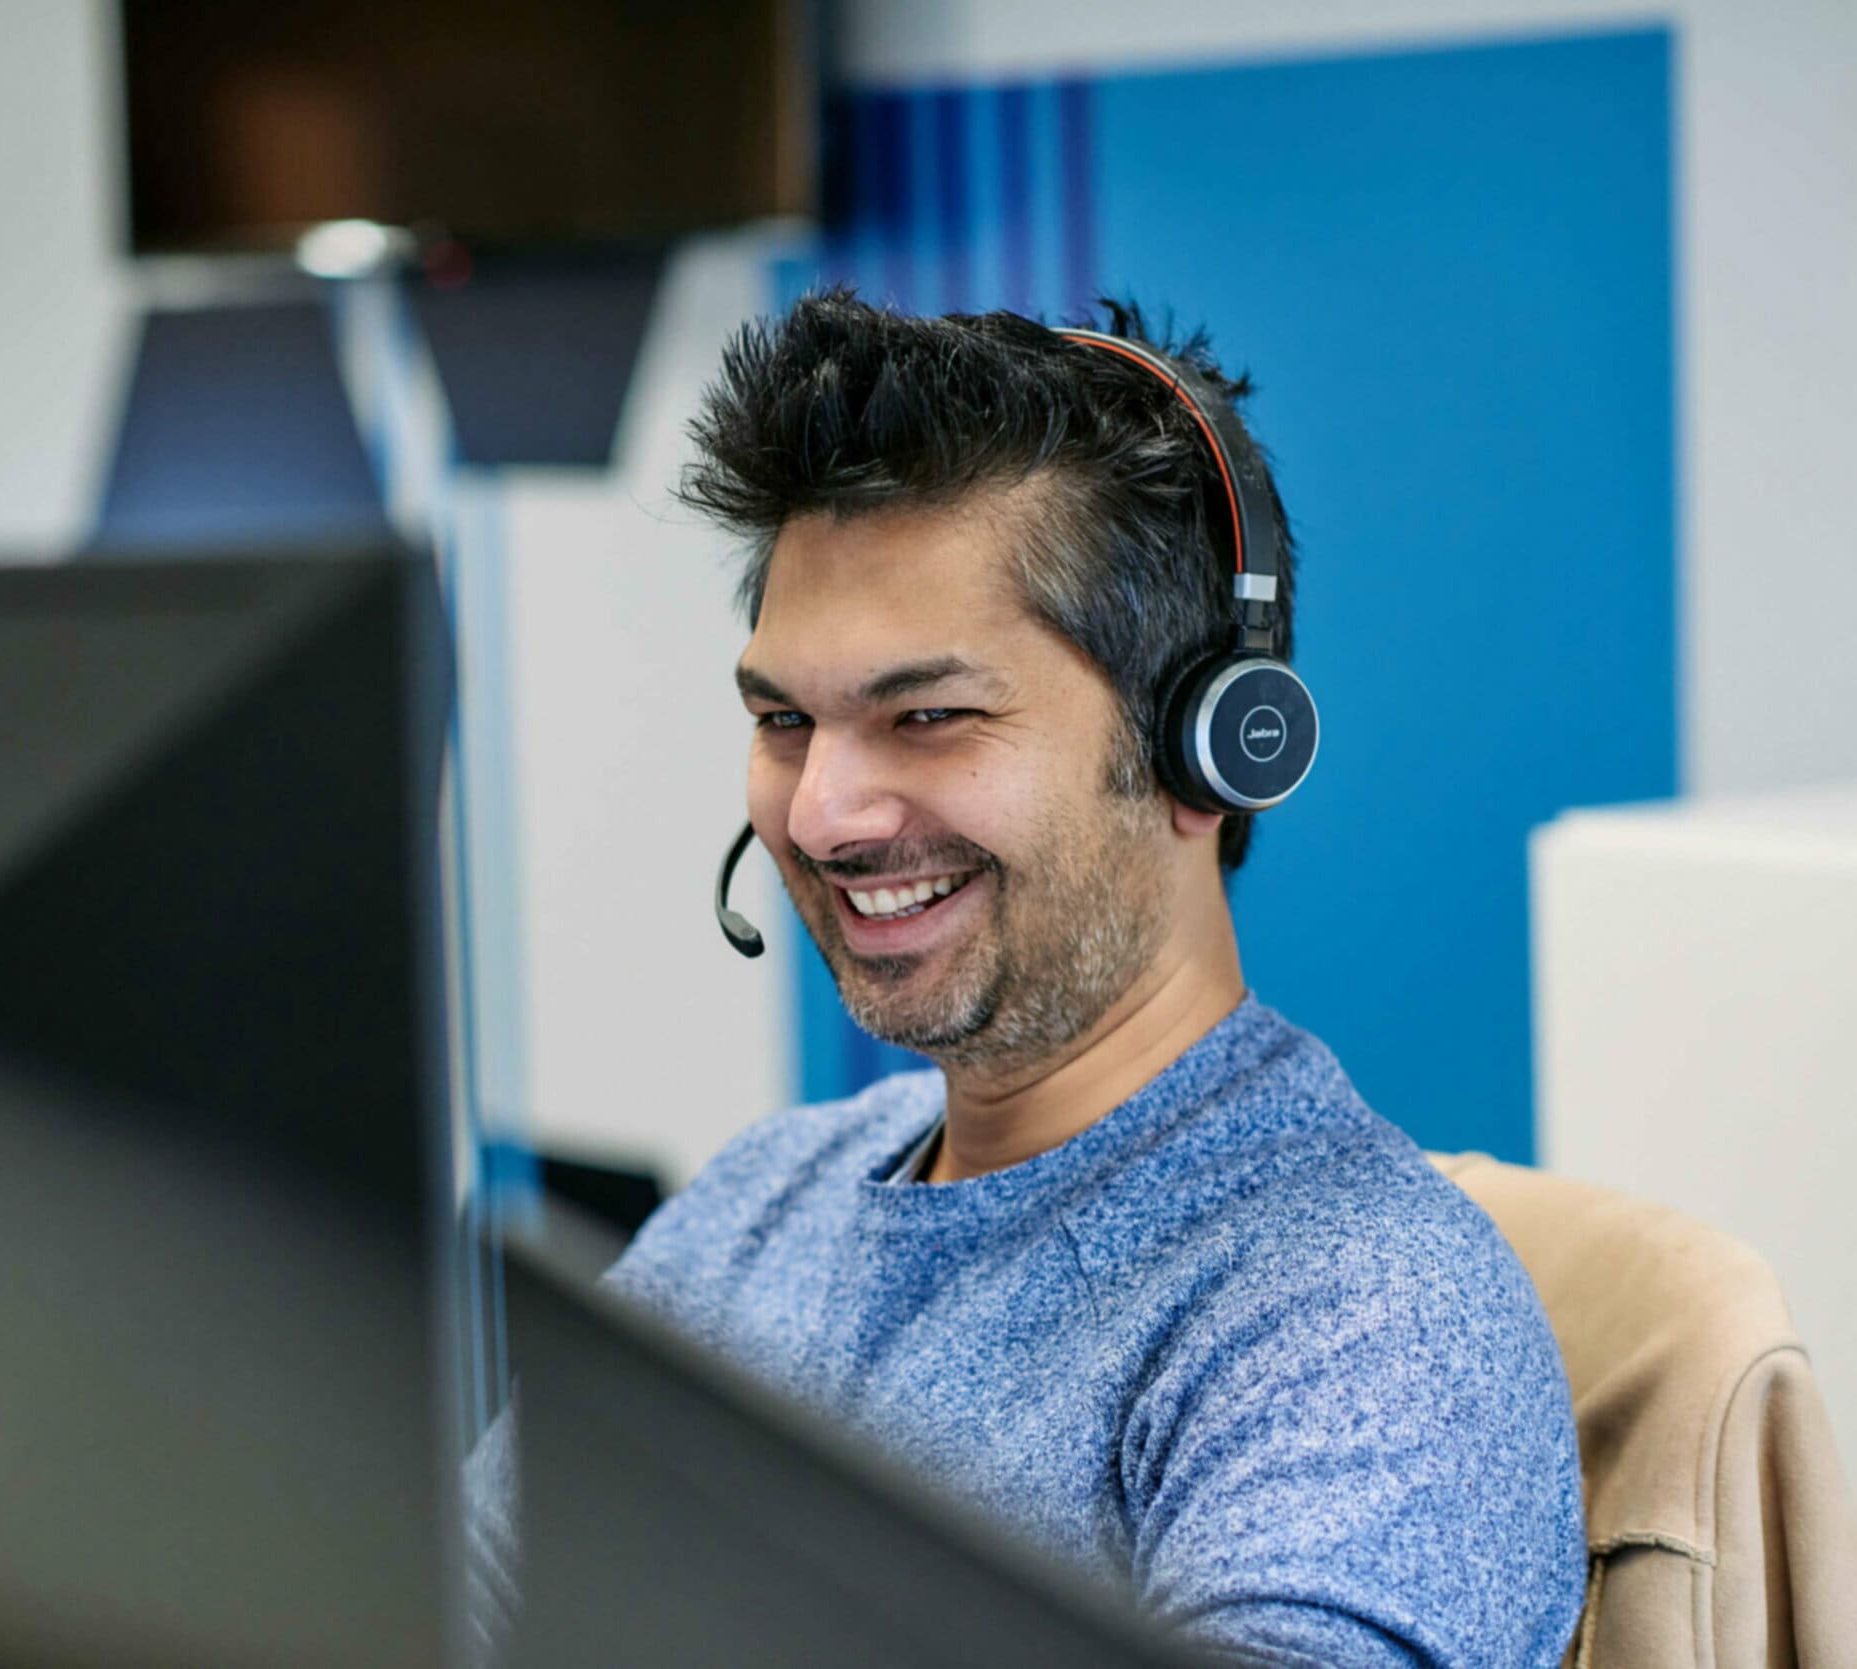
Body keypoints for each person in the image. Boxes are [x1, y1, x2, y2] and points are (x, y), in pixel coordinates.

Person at [472, 291, 1585, 1667]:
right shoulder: (758, 1208)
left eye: (926, 716)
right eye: (782, 720)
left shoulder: (1363, 1319)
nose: (821, 813)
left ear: (1214, 744)